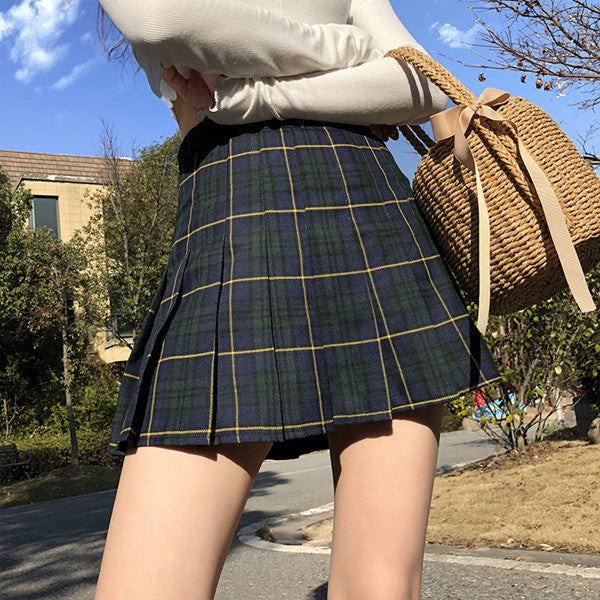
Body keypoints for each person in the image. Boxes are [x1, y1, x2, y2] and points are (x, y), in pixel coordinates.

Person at [94, 1, 501, 599]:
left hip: (363, 211)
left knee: (381, 586)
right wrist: (349, 52)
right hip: (238, 219)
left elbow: (420, 83)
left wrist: (253, 96)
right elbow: (162, 20)